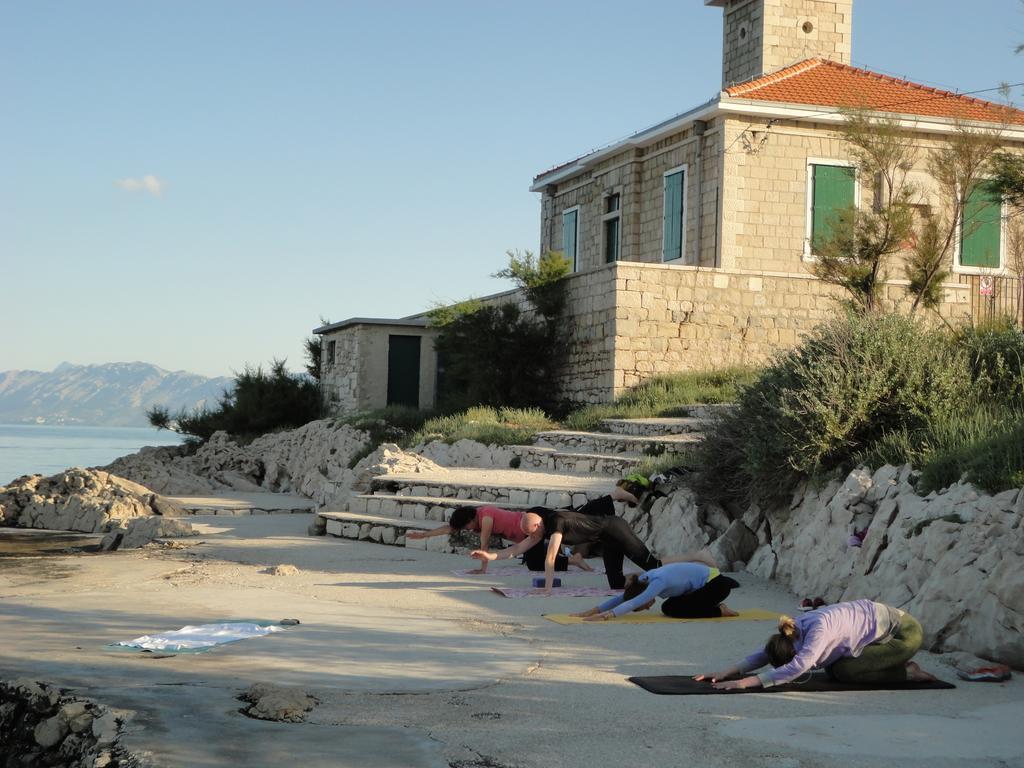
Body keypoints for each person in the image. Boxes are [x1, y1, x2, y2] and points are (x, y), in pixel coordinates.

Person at [694, 599, 938, 689]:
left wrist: (745, 683)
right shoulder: (793, 631)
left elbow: (798, 666)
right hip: (883, 631)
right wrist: (729, 671)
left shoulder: (818, 631)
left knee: (844, 671)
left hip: (905, 635)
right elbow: (765, 654)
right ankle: (889, 663)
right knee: (832, 669)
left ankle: (908, 672)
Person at [471, 506, 661, 592]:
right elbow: (517, 549)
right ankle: (640, 580)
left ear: (537, 526)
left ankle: (676, 578)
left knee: (650, 564)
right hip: (605, 540)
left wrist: (547, 589)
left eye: (531, 533)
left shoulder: (556, 523)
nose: (532, 538)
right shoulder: (541, 528)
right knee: (617, 585)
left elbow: (551, 557)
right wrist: (490, 555)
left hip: (615, 528)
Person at [406, 506, 589, 574]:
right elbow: (450, 528)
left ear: (471, 520)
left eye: (467, 526)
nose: (468, 530)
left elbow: (484, 544)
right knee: (536, 560)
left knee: (535, 564)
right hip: (526, 535)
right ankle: (572, 559)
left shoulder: (485, 516)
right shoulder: (474, 519)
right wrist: (423, 535)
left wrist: (482, 569)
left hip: (531, 526)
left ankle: (573, 559)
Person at [571, 561, 740, 621]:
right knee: (669, 607)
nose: (648, 607)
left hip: (716, 586)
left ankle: (719, 610)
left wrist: (607, 616)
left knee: (673, 609)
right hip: (708, 585)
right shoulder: (645, 579)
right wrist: (591, 611)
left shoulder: (656, 582)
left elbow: (634, 602)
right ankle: (715, 606)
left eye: (645, 607)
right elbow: (625, 597)